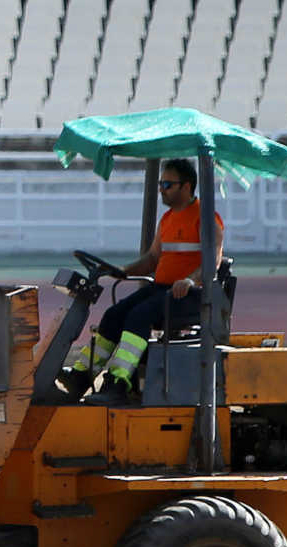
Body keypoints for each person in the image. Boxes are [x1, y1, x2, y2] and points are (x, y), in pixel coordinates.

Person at [58, 157, 225, 401]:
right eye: (160, 184)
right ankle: (81, 377)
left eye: (167, 185)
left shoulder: (206, 217)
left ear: (187, 186)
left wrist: (189, 281)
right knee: (114, 315)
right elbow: (152, 258)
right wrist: (122, 270)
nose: (161, 189)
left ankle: (118, 383)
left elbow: (214, 259)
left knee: (139, 315)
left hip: (191, 296)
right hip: (162, 290)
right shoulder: (167, 219)